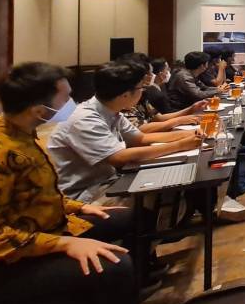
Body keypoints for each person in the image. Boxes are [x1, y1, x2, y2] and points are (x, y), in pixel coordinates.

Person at [0, 63, 150, 304]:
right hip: (3, 263)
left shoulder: (23, 135)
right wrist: (62, 244)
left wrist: (75, 208)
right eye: (66, 98)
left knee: (132, 217)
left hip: (48, 227)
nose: (73, 103)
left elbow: (31, 195)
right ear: (39, 110)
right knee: (114, 264)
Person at [47, 59, 204, 202]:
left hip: (109, 179)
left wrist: (190, 134)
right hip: (85, 194)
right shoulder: (84, 118)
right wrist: (179, 145)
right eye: (141, 88)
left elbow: (140, 138)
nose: (143, 91)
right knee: (171, 186)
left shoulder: (111, 110)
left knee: (183, 178)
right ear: (125, 95)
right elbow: (119, 157)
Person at [118, 53, 208, 133]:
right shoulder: (124, 101)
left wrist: (191, 109)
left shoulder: (143, 95)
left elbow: (158, 117)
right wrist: (179, 122)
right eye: (150, 73)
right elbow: (139, 130)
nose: (152, 76)